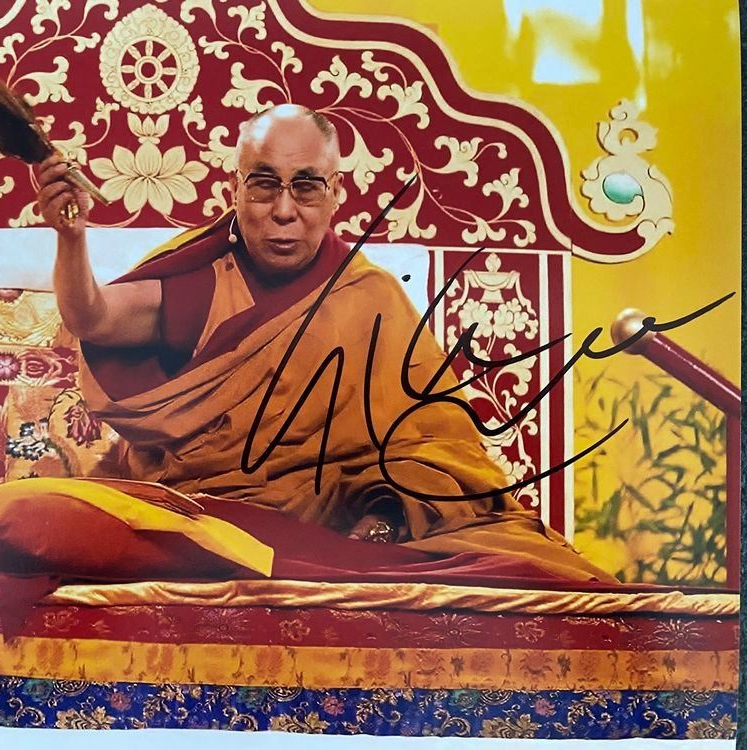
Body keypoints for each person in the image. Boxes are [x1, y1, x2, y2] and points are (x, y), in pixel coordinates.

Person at [34, 104, 612, 582]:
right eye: (264, 185)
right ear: (235, 190)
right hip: (197, 522)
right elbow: (94, 317)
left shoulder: (371, 298)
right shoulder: (203, 276)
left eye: (306, 187)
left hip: (330, 533)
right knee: (42, 521)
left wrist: (382, 525)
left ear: (335, 193)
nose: (284, 211)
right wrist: (70, 238)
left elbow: (435, 449)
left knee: (524, 567)